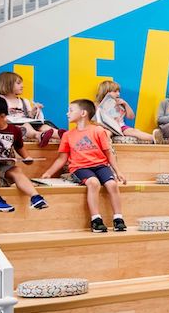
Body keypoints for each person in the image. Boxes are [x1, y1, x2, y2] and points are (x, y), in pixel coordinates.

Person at [39, 98, 127, 234]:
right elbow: (62, 158)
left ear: (83, 113)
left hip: (101, 165)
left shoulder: (98, 131)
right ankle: (96, 220)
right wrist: (48, 173)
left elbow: (108, 153)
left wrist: (118, 171)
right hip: (80, 168)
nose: (67, 113)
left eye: (71, 110)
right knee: (93, 183)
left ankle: (118, 218)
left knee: (112, 184)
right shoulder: (67, 135)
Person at [0, 71, 58, 147]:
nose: (22, 86)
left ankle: (63, 135)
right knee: (26, 126)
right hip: (13, 128)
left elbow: (29, 116)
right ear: (7, 85)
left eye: (21, 83)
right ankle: (38, 135)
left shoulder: (24, 101)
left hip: (28, 125)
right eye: (18, 83)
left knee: (44, 126)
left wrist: (34, 110)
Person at [93, 79, 156, 144]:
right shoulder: (97, 105)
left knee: (133, 131)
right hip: (105, 127)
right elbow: (93, 120)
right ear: (106, 92)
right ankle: (107, 147)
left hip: (120, 127)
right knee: (106, 133)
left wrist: (125, 104)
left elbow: (131, 117)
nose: (118, 93)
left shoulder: (120, 104)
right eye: (115, 91)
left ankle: (154, 138)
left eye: (118, 91)